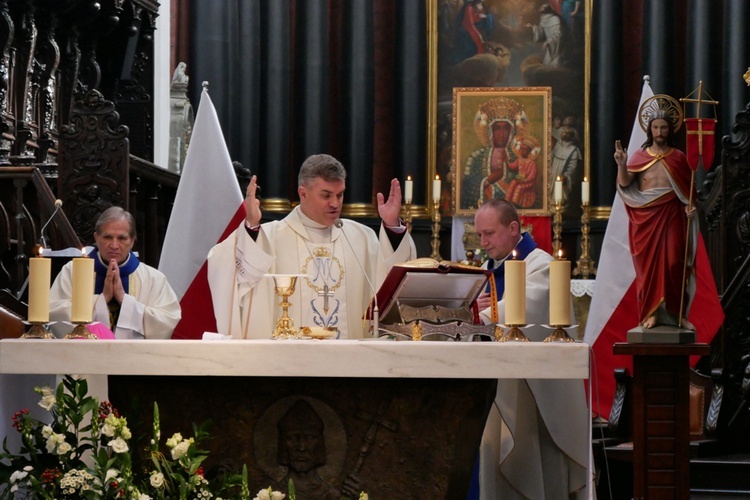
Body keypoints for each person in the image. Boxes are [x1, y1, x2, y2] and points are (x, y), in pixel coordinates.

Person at [207, 153, 416, 339]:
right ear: (303, 193)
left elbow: (392, 281)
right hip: (288, 367)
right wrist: (251, 226)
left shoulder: (360, 238)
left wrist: (391, 227)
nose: (335, 203)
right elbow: (222, 265)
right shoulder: (269, 237)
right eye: (326, 195)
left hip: (350, 365)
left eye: (340, 195)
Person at [470, 199, 589, 499]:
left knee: (532, 466)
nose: (483, 243)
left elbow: (522, 312)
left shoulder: (542, 265)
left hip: (533, 398)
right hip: (493, 389)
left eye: (489, 234)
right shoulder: (486, 268)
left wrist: (477, 314)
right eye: (479, 235)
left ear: (513, 228)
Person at [614, 109, 696, 329]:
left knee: (674, 262)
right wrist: (622, 164)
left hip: (672, 215)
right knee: (648, 269)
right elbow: (624, 183)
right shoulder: (640, 156)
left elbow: (689, 192)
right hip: (646, 219)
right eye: (655, 127)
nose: (659, 132)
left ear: (670, 130)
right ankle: (652, 313)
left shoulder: (679, 157)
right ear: (649, 130)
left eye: (664, 127)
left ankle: (677, 315)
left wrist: (691, 208)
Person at [49, 207, 181, 339]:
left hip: (133, 357)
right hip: (83, 355)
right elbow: (55, 312)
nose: (114, 245)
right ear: (96, 237)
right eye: (107, 237)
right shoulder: (72, 271)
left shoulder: (153, 278)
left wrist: (125, 301)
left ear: (132, 241)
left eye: (122, 238)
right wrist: (101, 299)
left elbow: (167, 320)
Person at [461, 97, 529, 210]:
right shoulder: (477, 156)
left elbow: (526, 185)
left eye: (506, 128)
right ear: (490, 131)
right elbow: (467, 183)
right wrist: (486, 181)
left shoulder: (519, 157)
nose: (502, 133)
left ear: (512, 131)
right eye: (497, 128)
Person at [505, 135, 539, 208]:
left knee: (519, 187)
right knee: (513, 182)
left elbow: (532, 176)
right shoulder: (519, 159)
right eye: (522, 149)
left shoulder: (532, 163)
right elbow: (513, 166)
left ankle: (515, 203)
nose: (523, 151)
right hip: (520, 179)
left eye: (525, 150)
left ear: (529, 151)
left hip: (529, 182)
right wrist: (507, 164)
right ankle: (507, 201)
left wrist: (524, 180)